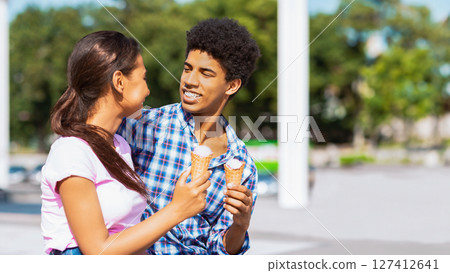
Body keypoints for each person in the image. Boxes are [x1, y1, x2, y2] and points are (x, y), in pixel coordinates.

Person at [40, 31, 211, 255]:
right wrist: (177, 210)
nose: (148, 90)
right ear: (119, 81)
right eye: (144, 78)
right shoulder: (72, 151)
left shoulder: (119, 145)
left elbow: (128, 234)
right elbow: (97, 251)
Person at [117, 18, 261, 254]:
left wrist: (241, 225)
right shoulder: (144, 125)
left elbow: (222, 251)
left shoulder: (242, 166)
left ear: (232, 85)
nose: (189, 81)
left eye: (206, 73)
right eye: (187, 68)